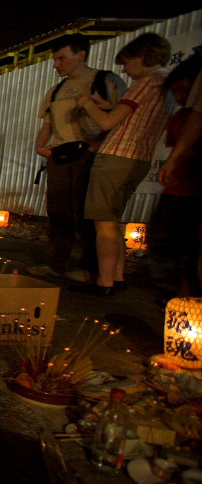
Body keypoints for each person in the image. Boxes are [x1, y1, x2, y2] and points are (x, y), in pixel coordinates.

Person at [74, 33, 175, 297]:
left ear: (143, 57)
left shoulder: (146, 82)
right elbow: (134, 115)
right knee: (113, 221)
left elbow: (107, 123)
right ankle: (117, 278)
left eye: (128, 63)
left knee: (103, 223)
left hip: (116, 156)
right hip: (139, 159)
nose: (125, 70)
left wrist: (87, 104)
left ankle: (104, 282)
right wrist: (108, 105)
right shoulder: (167, 84)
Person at [33, 33, 126, 280]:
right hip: (60, 155)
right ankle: (56, 265)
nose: (56, 65)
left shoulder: (105, 80)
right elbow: (47, 124)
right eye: (54, 60)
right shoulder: (56, 90)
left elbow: (123, 117)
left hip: (91, 154)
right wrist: (40, 147)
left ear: (81, 55)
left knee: (87, 214)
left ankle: (91, 269)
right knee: (58, 212)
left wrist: (98, 144)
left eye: (62, 58)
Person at [150, 55, 202, 297]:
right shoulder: (184, 117)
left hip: (191, 191)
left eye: (184, 91)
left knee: (189, 249)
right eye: (176, 93)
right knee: (168, 246)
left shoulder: (192, 117)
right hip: (177, 189)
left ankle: (187, 297)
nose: (181, 98)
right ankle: (179, 297)